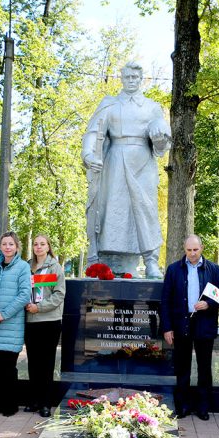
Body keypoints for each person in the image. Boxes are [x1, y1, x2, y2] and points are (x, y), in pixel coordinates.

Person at [81, 61, 172, 277]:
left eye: (135, 77)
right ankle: (106, 262)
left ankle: (150, 261)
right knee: (112, 212)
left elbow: (162, 144)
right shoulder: (110, 104)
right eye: (128, 77)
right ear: (122, 78)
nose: (131, 81)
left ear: (141, 80)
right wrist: (88, 154)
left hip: (143, 163)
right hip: (115, 161)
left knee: (146, 210)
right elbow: (92, 132)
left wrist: (160, 138)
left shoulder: (152, 107)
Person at [160, 235, 219, 421]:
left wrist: (209, 304)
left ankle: (203, 407)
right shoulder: (174, 269)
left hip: (204, 323)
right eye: (189, 250)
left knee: (204, 368)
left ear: (202, 248)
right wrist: (167, 327)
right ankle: (183, 406)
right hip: (181, 323)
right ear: (184, 249)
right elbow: (165, 300)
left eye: (195, 250)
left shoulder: (214, 269)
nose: (192, 254)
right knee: (182, 368)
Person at [0, 232, 32, 416]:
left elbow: (24, 295)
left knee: (8, 368)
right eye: (4, 244)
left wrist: (3, 314)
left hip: (10, 324)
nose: (7, 247)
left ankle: (10, 406)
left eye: (11, 244)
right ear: (0, 246)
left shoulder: (23, 267)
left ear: (17, 247)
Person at [23, 235, 67, 418]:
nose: (38, 247)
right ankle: (34, 400)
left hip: (49, 321)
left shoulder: (55, 267)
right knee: (33, 363)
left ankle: (45, 403)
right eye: (35, 244)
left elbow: (59, 294)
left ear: (48, 247)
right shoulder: (26, 267)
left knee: (47, 364)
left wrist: (38, 307)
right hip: (30, 321)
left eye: (42, 244)